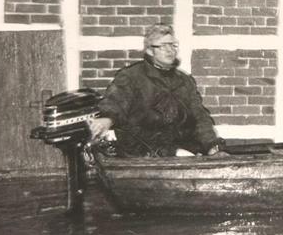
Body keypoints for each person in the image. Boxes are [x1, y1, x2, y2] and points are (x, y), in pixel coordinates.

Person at [88, 24, 223, 157]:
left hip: (183, 146)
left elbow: (200, 117)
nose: (170, 50)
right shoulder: (131, 76)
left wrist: (211, 145)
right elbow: (114, 103)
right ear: (149, 51)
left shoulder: (184, 81)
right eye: (163, 46)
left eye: (172, 45)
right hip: (144, 149)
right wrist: (107, 119)